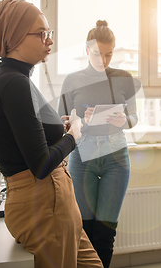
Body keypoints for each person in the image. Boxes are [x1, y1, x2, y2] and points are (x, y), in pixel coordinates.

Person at [0, 0, 102, 268]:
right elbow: (41, 165)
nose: (49, 40)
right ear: (15, 37)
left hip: (54, 202)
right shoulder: (13, 83)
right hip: (43, 203)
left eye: (49, 33)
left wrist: (62, 129)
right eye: (42, 33)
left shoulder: (16, 80)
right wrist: (74, 135)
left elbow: (30, 138)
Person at [58, 20, 139, 268]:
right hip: (82, 157)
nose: (103, 61)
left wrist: (124, 119)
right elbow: (62, 124)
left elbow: (134, 118)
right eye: (96, 54)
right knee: (85, 230)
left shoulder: (124, 78)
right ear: (86, 50)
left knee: (105, 232)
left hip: (116, 157)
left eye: (108, 55)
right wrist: (80, 120)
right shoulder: (72, 80)